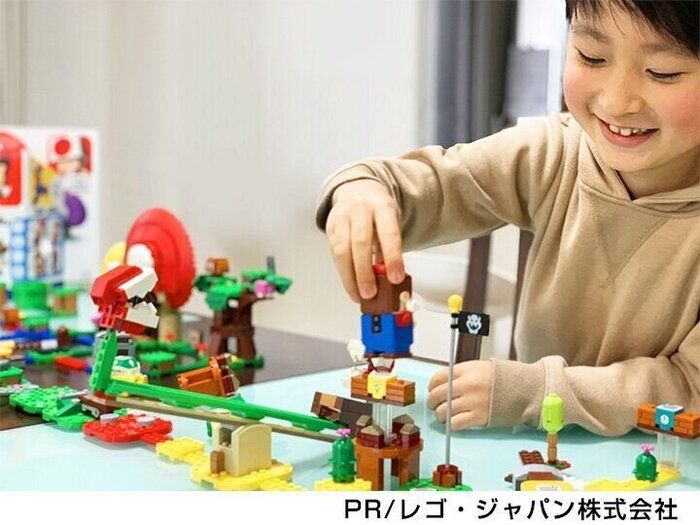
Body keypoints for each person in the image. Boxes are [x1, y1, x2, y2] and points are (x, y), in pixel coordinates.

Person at [315, 0, 699, 437]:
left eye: (663, 72)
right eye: (592, 57)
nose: (616, 101)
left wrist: (537, 391)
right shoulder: (553, 153)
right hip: (542, 454)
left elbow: (690, 386)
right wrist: (362, 188)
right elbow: (437, 185)